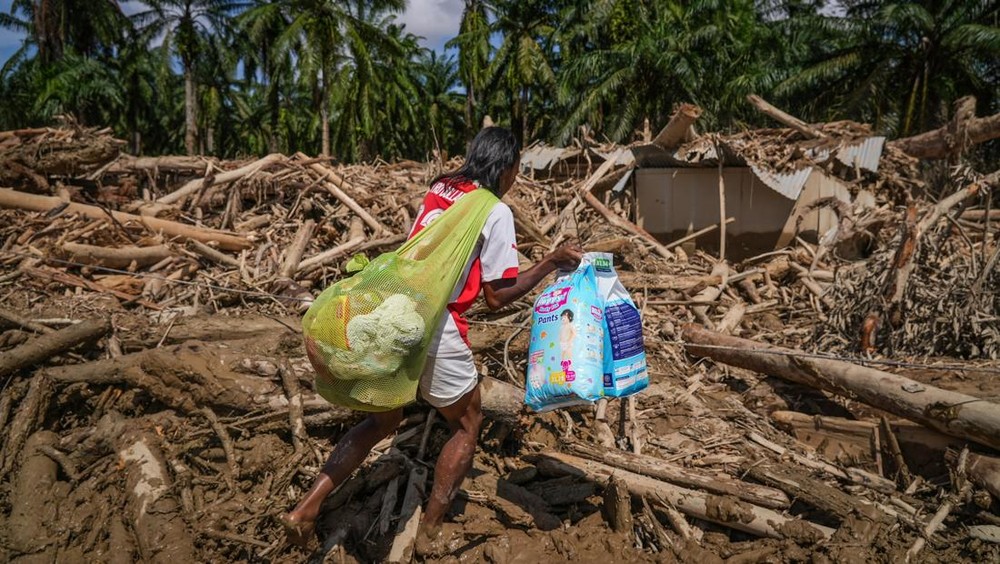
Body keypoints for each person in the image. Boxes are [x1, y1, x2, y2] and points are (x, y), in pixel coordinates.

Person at [281, 127, 583, 550]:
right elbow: (497, 296)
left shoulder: (441, 187)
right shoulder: (494, 211)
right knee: (467, 424)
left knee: (382, 421)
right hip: (434, 323)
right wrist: (550, 262)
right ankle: (430, 530)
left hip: (395, 312)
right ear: (507, 166)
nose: (516, 176)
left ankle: (306, 508)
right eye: (517, 167)